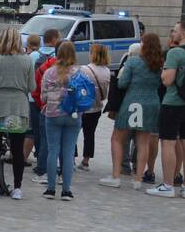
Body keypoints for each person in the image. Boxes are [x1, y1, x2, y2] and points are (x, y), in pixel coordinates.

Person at [102, 32, 164, 189]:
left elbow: (122, 83)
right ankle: (138, 179)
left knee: (117, 138)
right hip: (152, 103)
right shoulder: (159, 64)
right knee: (143, 142)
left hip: (132, 102)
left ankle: (116, 176)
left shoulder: (133, 62)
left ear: (144, 44)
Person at [0, 26, 33, 199]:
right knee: (17, 149)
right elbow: (32, 87)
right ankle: (17, 188)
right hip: (18, 106)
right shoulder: (27, 60)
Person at [38, 40, 82, 200]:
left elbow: (43, 96)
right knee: (69, 152)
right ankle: (66, 190)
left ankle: (50, 189)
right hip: (73, 115)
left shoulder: (49, 72)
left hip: (53, 114)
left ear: (57, 54)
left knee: (53, 150)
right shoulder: (79, 73)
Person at [149, 21, 185, 196]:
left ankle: (168, 184)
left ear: (184, 33)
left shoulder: (176, 52)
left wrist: (164, 71)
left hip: (173, 103)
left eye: (175, 31)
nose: (173, 34)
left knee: (168, 143)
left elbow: (167, 80)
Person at [27, 28, 61, 182]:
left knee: (36, 132)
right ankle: (48, 164)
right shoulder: (57, 57)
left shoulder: (33, 55)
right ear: (54, 39)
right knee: (50, 137)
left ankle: (40, 160)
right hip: (52, 103)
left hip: (34, 98)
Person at [79, 43, 112, 171]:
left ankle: (71, 156)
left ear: (93, 54)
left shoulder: (84, 69)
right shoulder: (107, 71)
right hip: (97, 107)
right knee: (89, 134)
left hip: (83, 107)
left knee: (74, 133)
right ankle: (86, 160)